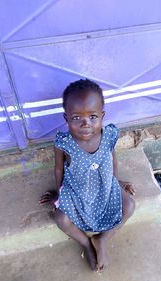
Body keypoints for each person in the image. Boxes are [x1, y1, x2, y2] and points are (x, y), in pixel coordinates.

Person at [39, 79, 135, 271]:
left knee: (130, 206)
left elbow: (111, 159)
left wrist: (115, 181)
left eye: (93, 116)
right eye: (76, 118)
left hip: (105, 188)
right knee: (61, 219)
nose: (85, 124)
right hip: (78, 193)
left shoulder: (108, 135)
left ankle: (101, 240)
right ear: (66, 118)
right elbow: (58, 169)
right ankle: (85, 243)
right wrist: (60, 193)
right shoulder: (63, 143)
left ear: (102, 115)